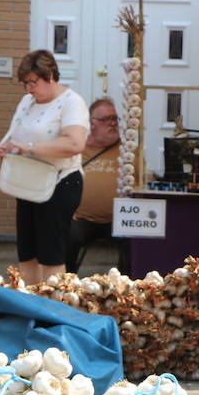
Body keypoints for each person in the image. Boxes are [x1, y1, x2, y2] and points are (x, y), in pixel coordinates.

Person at [0, 50, 89, 285]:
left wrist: (29, 147)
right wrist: (6, 147)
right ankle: (32, 305)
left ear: (50, 75)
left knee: (51, 253)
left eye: (33, 82)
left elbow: (75, 143)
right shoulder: (27, 101)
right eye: (25, 83)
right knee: (28, 252)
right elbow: (17, 134)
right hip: (29, 182)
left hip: (60, 181)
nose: (29, 89)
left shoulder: (71, 102)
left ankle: (55, 307)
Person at [65, 97, 127, 273]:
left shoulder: (128, 150)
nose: (112, 123)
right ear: (91, 123)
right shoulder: (78, 148)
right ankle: (65, 286)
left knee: (135, 239)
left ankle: (128, 289)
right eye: (106, 119)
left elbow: (142, 181)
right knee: (66, 233)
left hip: (120, 219)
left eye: (114, 118)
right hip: (83, 218)